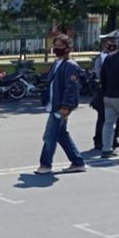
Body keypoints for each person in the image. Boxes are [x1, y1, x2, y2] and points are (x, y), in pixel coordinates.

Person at [34, 34, 86, 174]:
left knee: (49, 136)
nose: (56, 48)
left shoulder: (70, 65)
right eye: (55, 45)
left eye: (60, 46)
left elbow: (71, 88)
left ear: (68, 48)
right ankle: (77, 162)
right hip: (54, 104)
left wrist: (65, 106)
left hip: (61, 107)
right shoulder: (57, 63)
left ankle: (45, 165)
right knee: (61, 134)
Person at [91, 31, 119, 150]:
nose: (114, 44)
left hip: (118, 91)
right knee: (103, 117)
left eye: (116, 41)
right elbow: (100, 75)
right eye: (111, 41)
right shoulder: (100, 58)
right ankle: (99, 140)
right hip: (105, 90)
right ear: (105, 43)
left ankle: (114, 138)